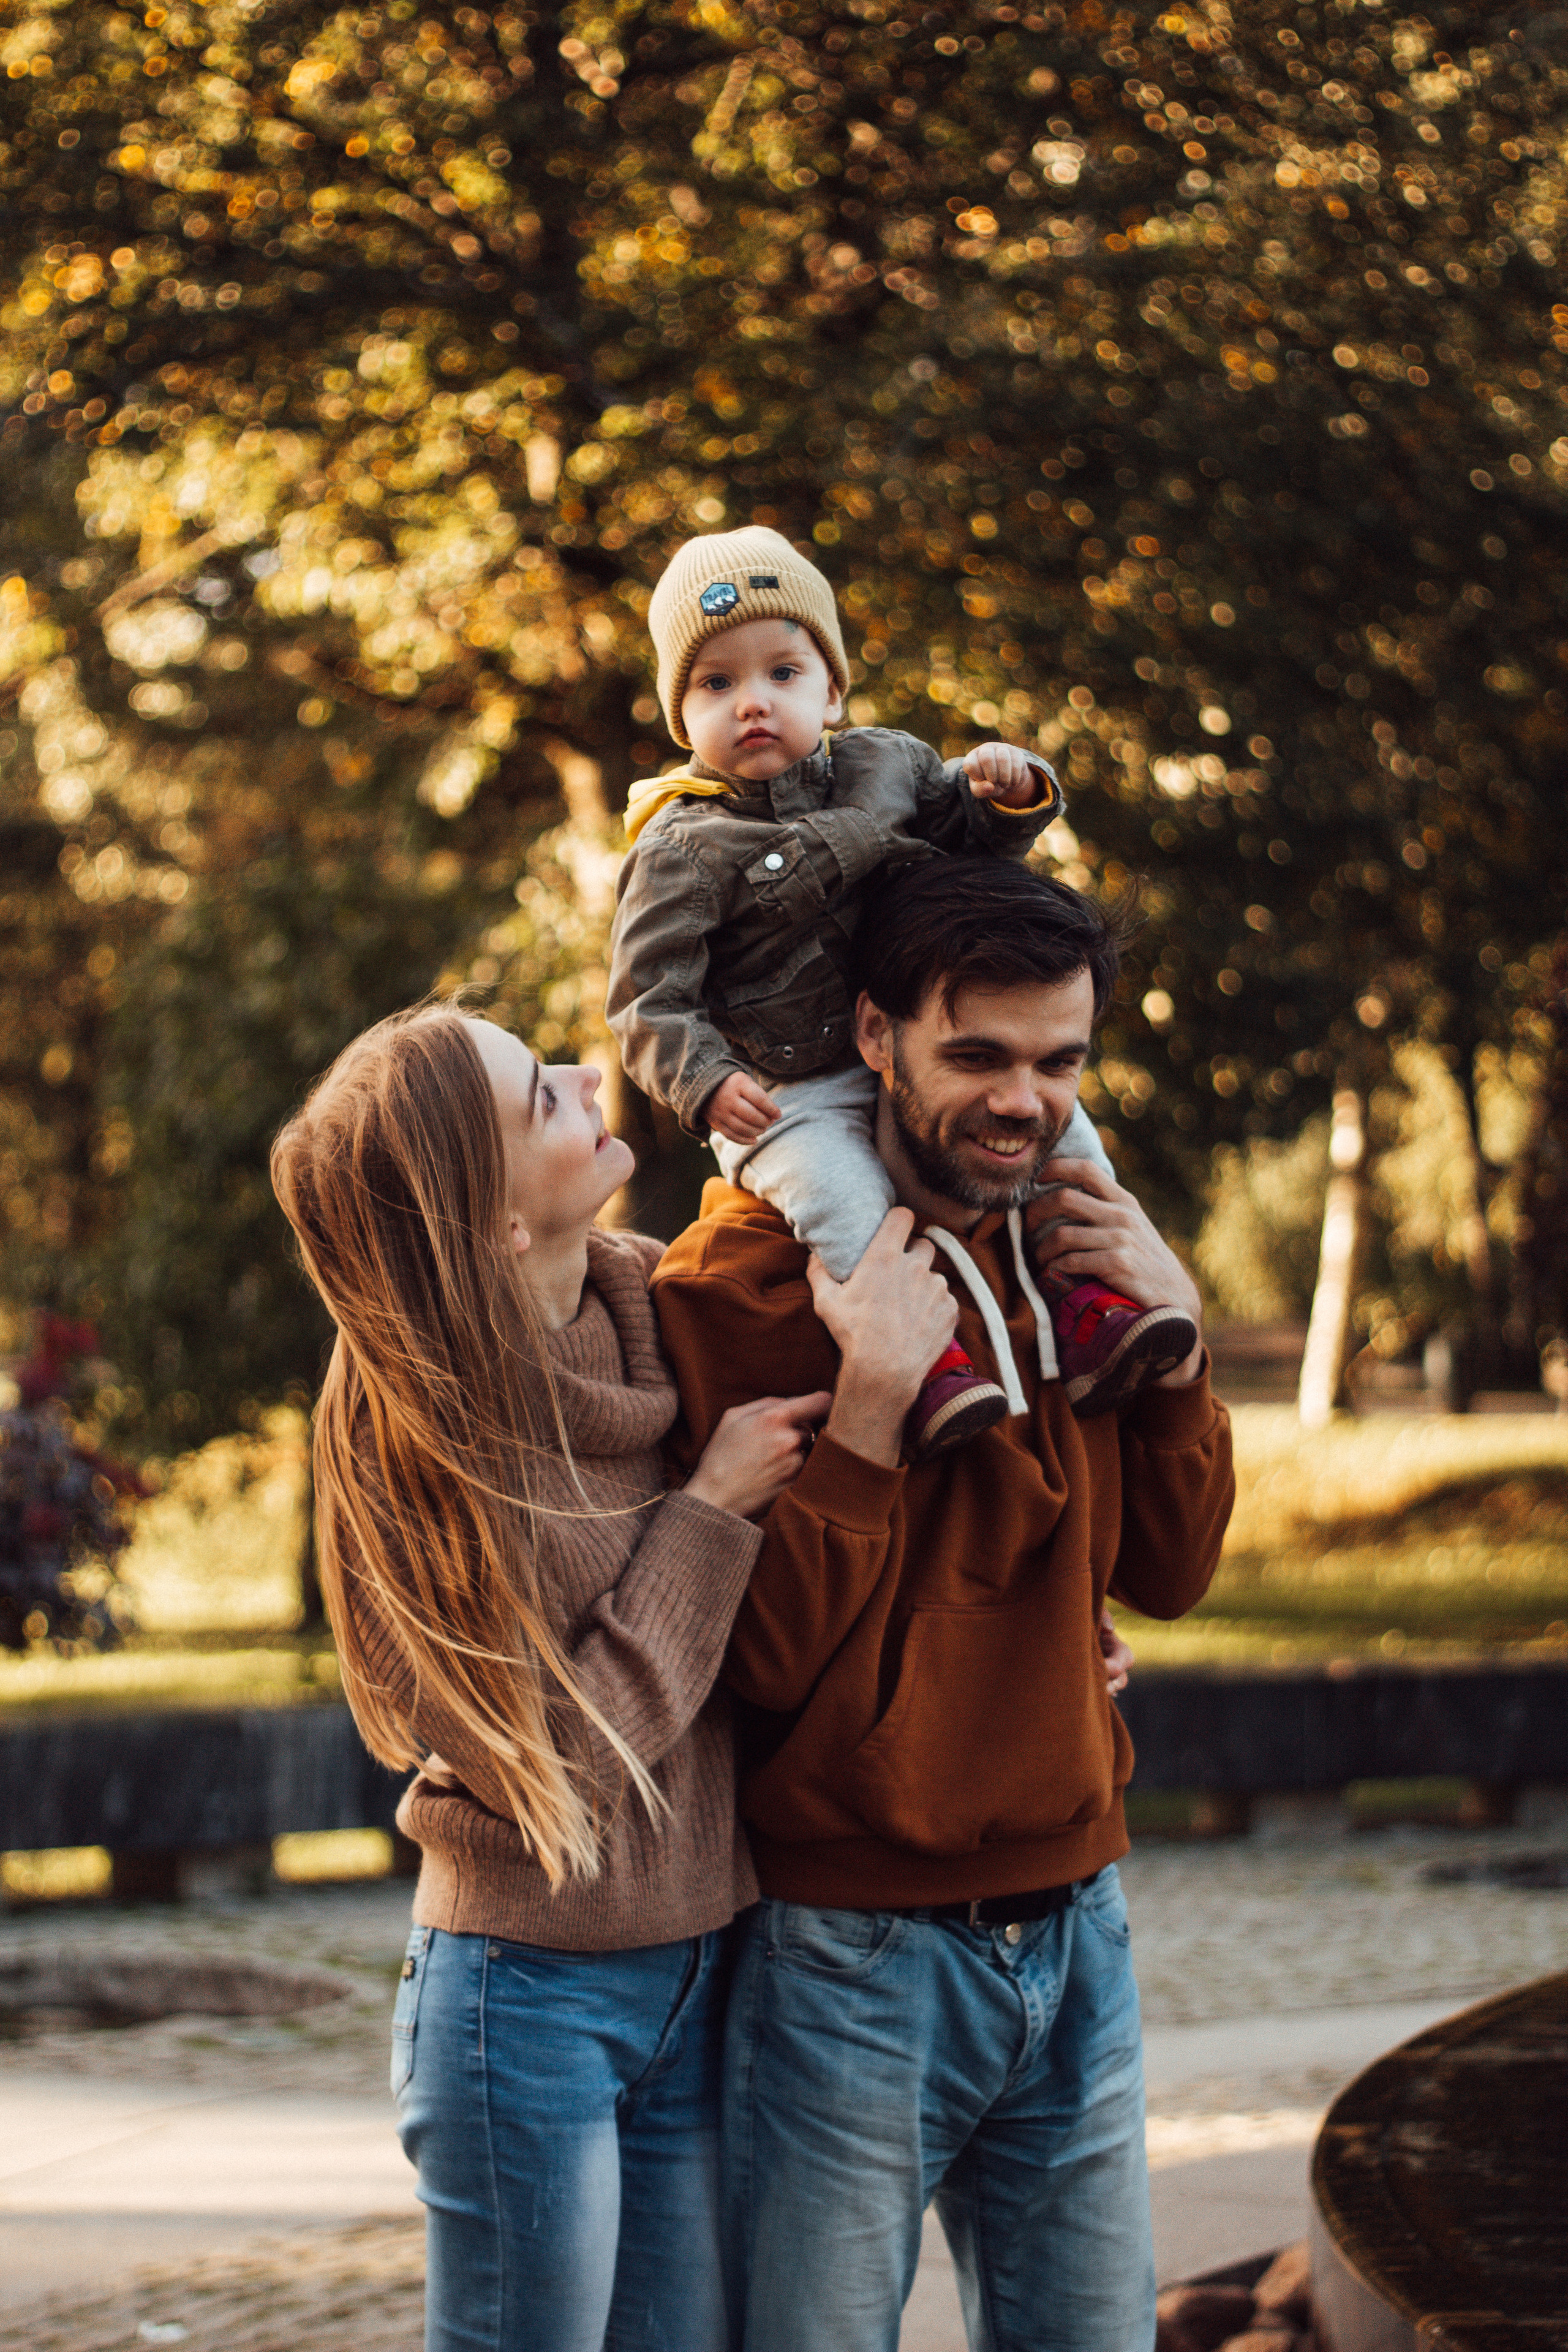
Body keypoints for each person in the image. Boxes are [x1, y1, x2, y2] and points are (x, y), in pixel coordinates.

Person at [650, 857, 1237, 2352]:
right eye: (976, 1055)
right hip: (849, 1955)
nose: (1020, 1103)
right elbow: (754, 1664)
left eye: (1058, 1063)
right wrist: (867, 1415)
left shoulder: (1071, 1259)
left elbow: (1169, 1576)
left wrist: (1175, 1343)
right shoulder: (741, 1280)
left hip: (1077, 1925)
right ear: (872, 1035)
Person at [268, 1001, 831, 2352]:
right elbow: (564, 1761)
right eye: (541, 1098)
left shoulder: (664, 1307)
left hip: (706, 1963)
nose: (588, 1075)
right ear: (500, 1225)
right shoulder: (410, 1434)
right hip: (525, 2003)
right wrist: (708, 1513)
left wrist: (1050, 1635)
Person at [608, 524, 1197, 1451]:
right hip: (788, 1086)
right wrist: (706, 1082)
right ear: (682, 718)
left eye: (783, 673)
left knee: (1074, 1145)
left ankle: (1091, 1304)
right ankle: (922, 1362)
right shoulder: (679, 847)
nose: (753, 702)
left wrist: (1009, 792)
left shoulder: (888, 765)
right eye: (716, 684)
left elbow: (968, 847)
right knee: (844, 1202)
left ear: (832, 689)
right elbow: (648, 1000)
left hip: (911, 1045)